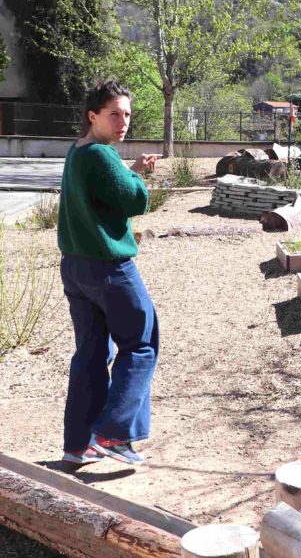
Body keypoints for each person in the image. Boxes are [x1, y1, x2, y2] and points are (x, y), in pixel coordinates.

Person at [58, 80, 162, 467]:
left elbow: (106, 194)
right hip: (109, 268)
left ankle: (78, 444)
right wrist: (138, 176)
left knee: (91, 353)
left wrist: (129, 169)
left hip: (75, 268)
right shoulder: (101, 155)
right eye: (114, 114)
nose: (123, 122)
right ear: (92, 116)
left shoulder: (78, 151)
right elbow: (135, 200)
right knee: (142, 341)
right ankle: (115, 434)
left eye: (128, 114)